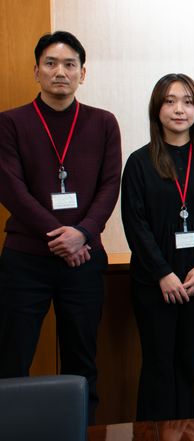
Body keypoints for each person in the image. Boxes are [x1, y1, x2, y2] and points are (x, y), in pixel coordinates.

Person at [0, 31, 121, 423]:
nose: (60, 72)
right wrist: (61, 236)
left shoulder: (103, 123)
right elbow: (11, 188)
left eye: (70, 64)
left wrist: (83, 234)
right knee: (12, 357)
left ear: (82, 74)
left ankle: (80, 429)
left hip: (84, 260)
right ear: (36, 71)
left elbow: (109, 184)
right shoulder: (10, 123)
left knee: (82, 359)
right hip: (25, 260)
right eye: (50, 63)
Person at [121, 73, 194, 420]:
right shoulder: (139, 162)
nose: (179, 109)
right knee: (157, 366)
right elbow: (134, 224)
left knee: (189, 364)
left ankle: (189, 432)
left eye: (187, 101)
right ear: (157, 109)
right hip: (155, 283)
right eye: (170, 101)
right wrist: (163, 273)